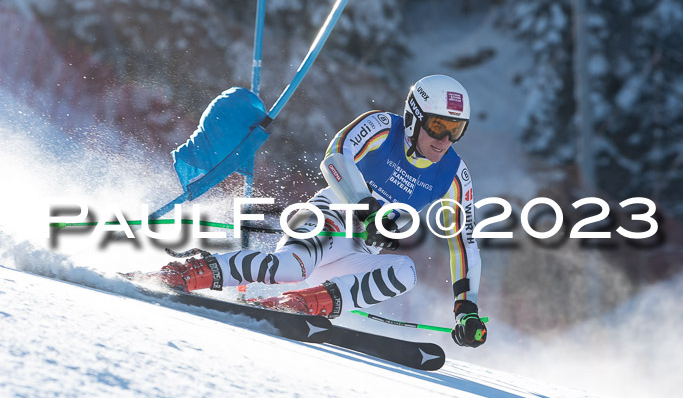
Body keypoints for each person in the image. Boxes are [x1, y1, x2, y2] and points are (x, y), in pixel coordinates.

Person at [155, 75, 487, 348]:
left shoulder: (455, 175)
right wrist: (365, 209)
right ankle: (186, 272)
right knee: (291, 266)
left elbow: (464, 242)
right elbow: (335, 158)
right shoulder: (383, 127)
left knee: (405, 272)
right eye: (438, 126)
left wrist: (465, 307)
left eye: (456, 130)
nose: (444, 139)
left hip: (358, 249)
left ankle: (302, 305)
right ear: (415, 117)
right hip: (327, 216)